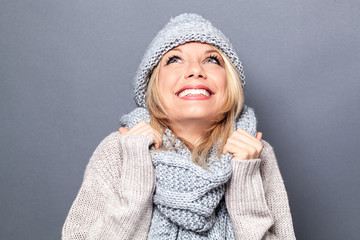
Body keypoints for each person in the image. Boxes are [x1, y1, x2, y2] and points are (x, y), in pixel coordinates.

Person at [62, 13, 296, 240]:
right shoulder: (121, 150)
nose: (195, 70)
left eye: (212, 60)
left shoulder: (255, 154)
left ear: (229, 82)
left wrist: (245, 181)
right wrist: (137, 173)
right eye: (174, 59)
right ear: (153, 84)